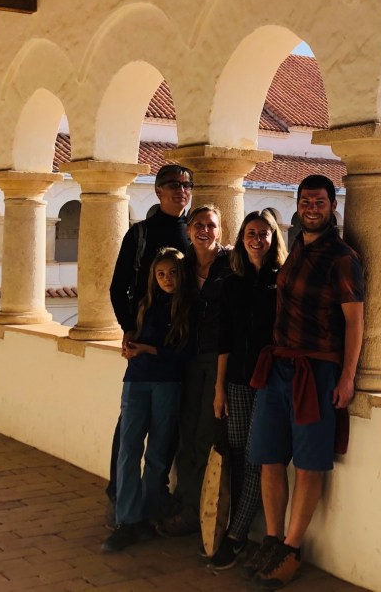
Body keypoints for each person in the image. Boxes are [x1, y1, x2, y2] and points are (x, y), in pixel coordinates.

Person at [245, 175, 365, 589]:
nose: (311, 207)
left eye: (319, 201)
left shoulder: (342, 257)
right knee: (269, 457)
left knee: (310, 464)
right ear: (297, 206)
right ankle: (274, 539)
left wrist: (347, 375)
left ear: (333, 205)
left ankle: (292, 550)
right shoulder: (296, 247)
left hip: (316, 371)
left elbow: (354, 321)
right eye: (305, 201)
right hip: (278, 367)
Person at [105, 164, 193, 522]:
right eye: (172, 185)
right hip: (145, 341)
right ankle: (120, 495)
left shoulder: (194, 231)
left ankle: (153, 496)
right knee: (130, 428)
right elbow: (117, 286)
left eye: (187, 185)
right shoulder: (140, 233)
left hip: (182, 341)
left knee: (166, 427)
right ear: (158, 192)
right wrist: (128, 327)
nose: (181, 191)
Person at [208, 209, 288, 570]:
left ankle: (236, 536)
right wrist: (219, 388)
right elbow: (224, 339)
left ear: (274, 238)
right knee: (238, 454)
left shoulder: (283, 281)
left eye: (264, 233)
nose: (258, 239)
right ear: (241, 238)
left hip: (270, 381)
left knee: (257, 456)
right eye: (251, 233)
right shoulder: (232, 282)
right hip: (238, 380)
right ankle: (232, 526)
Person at [102, 247, 191, 553]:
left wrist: (148, 350)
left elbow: (184, 353)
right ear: (154, 277)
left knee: (157, 454)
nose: (167, 279)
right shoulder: (146, 305)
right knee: (128, 450)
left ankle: (147, 516)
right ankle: (127, 519)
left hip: (168, 382)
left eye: (173, 273)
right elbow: (137, 338)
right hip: (137, 381)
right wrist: (130, 347)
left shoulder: (188, 307)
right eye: (161, 273)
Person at [161, 204, 232, 535]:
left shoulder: (231, 264)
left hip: (218, 362)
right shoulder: (181, 266)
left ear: (221, 230)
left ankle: (194, 511)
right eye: (198, 225)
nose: (205, 230)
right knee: (183, 434)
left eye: (211, 225)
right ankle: (183, 502)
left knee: (204, 435)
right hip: (185, 360)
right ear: (189, 230)